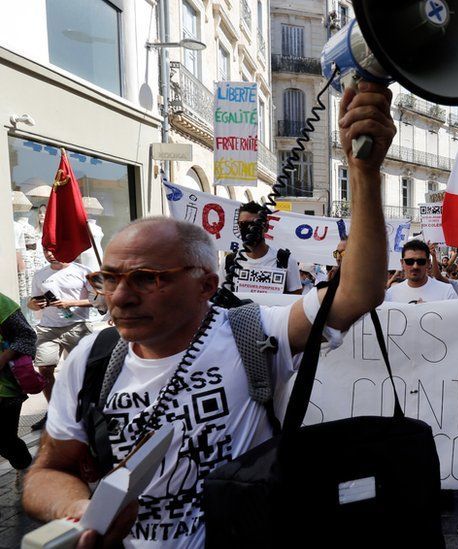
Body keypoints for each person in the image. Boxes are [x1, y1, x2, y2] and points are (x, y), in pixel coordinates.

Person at [23, 80, 395, 548]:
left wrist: (364, 173)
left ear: (207, 285)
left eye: (148, 277)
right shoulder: (89, 361)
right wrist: (78, 508)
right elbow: (48, 471)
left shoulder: (253, 332)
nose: (120, 297)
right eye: (110, 278)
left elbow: (356, 293)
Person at [28, 248, 94, 431]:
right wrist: (34, 304)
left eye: (53, 250)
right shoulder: (40, 274)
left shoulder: (83, 271)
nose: (49, 254)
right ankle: (54, 411)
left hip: (78, 326)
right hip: (48, 328)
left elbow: (98, 299)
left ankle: (83, 409)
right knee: (45, 369)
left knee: (81, 371)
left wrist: (71, 303)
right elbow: (31, 302)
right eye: (45, 250)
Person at [222, 201, 303, 295]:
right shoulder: (229, 262)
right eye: (243, 224)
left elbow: (295, 298)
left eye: (254, 224)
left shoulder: (285, 260)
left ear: (266, 227)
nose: (249, 229)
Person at [0, 291, 37, 471]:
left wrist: (4, 357)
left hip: (5, 389)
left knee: (6, 441)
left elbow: (27, 336)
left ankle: (28, 470)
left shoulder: (2, 303)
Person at [385, 240, 458, 303]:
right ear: (402, 263)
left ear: (428, 263)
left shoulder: (447, 292)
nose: (415, 266)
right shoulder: (390, 295)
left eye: (421, 261)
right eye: (409, 261)